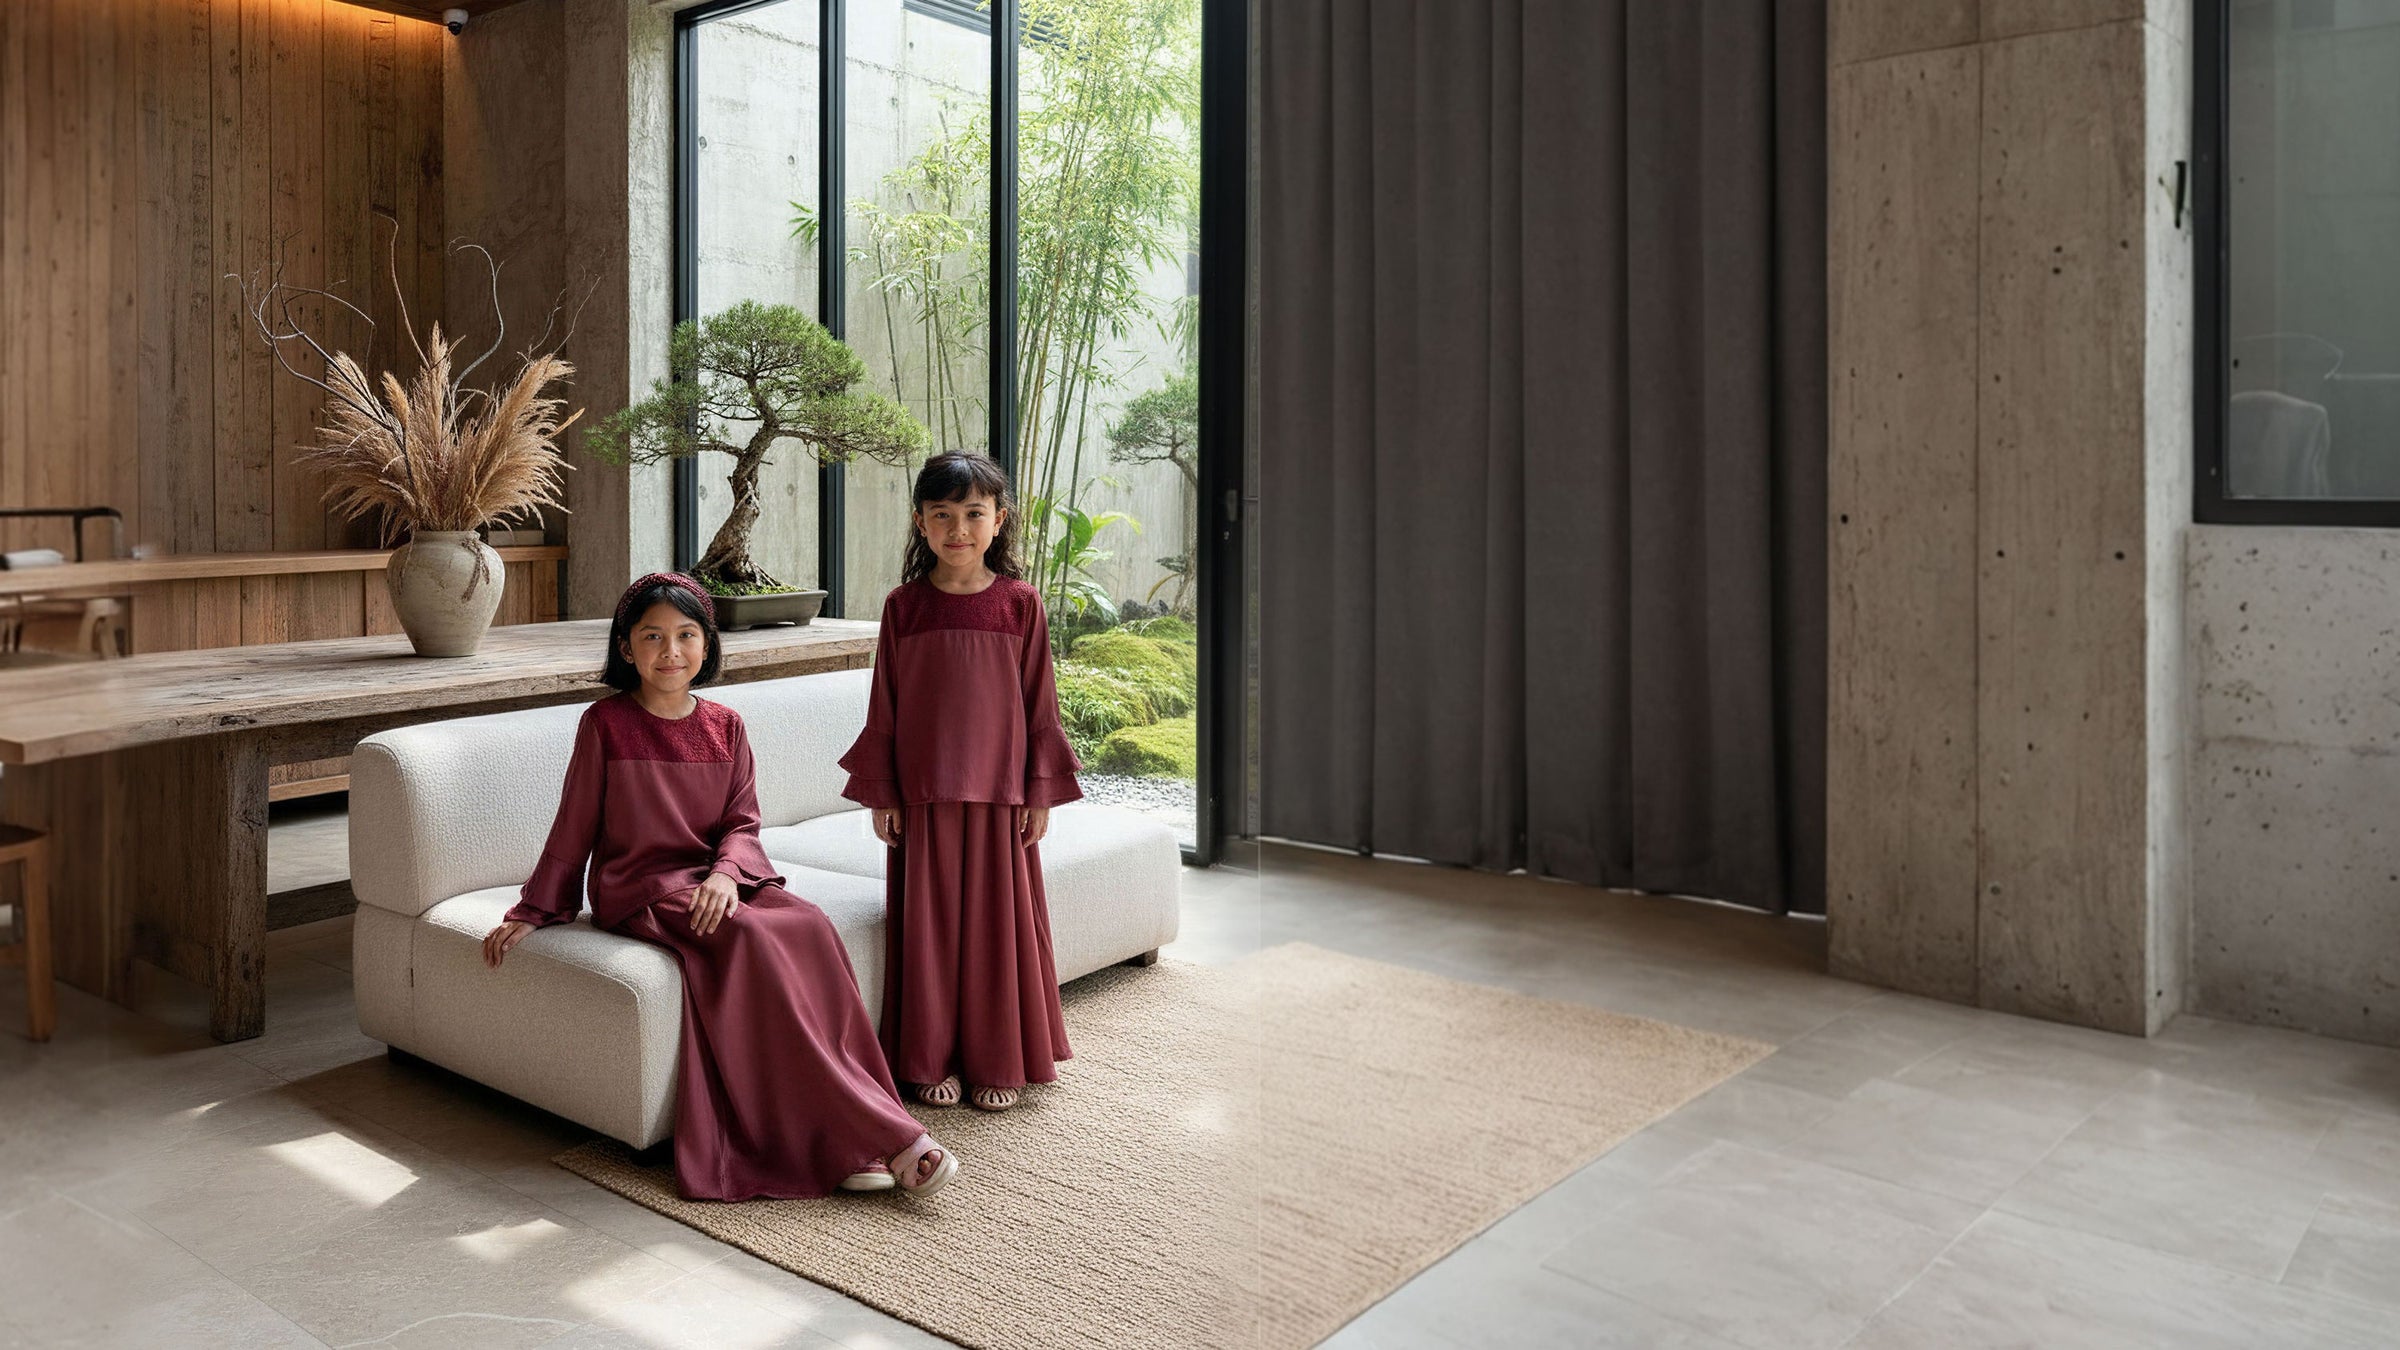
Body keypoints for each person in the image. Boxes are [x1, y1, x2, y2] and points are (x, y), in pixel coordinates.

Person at [483, 572, 956, 1201]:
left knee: (810, 924)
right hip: (643, 887)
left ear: (707, 646)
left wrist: (727, 875)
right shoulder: (605, 724)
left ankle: (841, 1141)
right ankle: (892, 1137)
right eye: (652, 637)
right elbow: (573, 827)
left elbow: (742, 821)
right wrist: (536, 908)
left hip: (716, 877)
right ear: (626, 648)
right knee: (751, 941)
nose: (670, 651)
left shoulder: (727, 725)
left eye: (685, 636)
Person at [840, 452, 1082, 1113]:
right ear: (920, 523)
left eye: (973, 514)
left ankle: (997, 1059)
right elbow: (883, 707)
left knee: (996, 935)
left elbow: (1040, 707)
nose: (958, 529)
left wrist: (1040, 792)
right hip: (922, 798)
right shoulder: (904, 608)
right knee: (929, 934)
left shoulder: (1019, 605)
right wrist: (882, 792)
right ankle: (928, 1060)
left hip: (1002, 797)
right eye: (941, 515)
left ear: (999, 521)